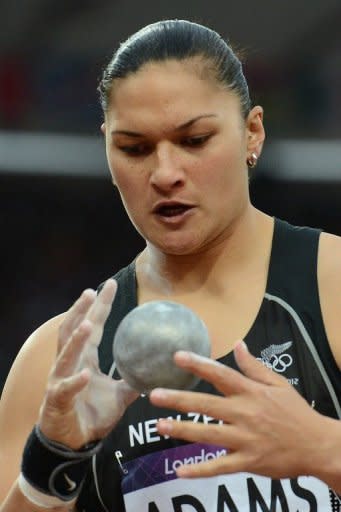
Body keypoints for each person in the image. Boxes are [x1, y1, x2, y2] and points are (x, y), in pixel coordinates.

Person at [0, 18, 340, 512]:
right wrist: (54, 460)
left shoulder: (332, 285)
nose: (165, 174)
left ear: (252, 132)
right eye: (134, 148)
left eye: (195, 140)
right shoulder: (59, 364)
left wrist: (323, 448)